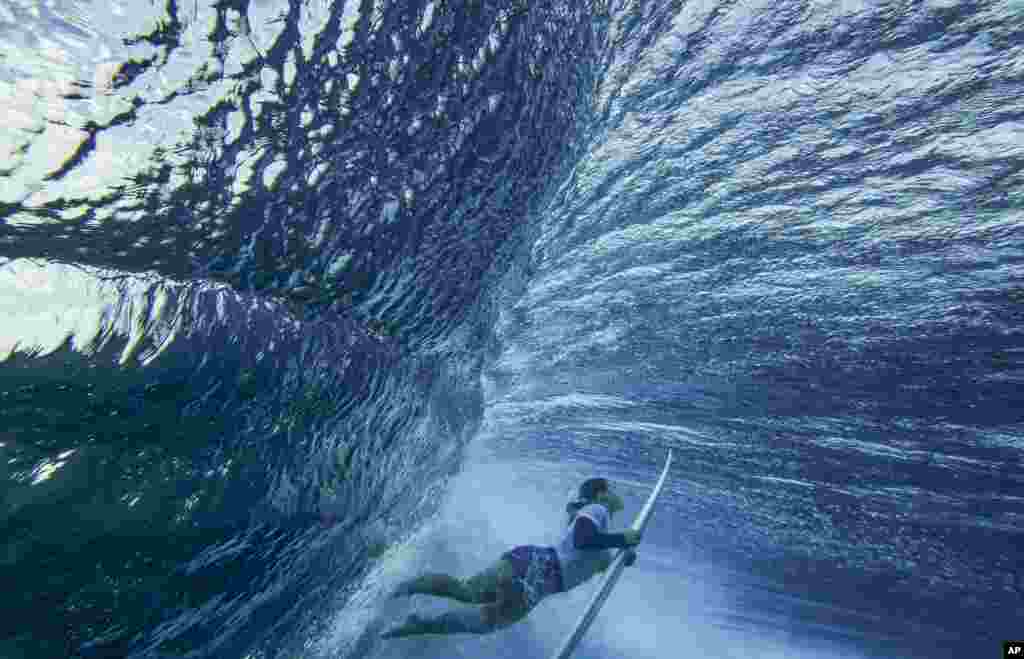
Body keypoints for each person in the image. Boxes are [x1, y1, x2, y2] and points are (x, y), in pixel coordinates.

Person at [380, 477, 642, 638]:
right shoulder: (597, 510)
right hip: (536, 566)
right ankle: (407, 587)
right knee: (469, 593)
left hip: (540, 585)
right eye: (613, 489)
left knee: (484, 622)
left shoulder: (601, 534)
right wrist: (623, 539)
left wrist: (622, 558)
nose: (618, 494)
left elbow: (599, 559)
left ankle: (419, 624)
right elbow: (584, 540)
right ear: (601, 494)